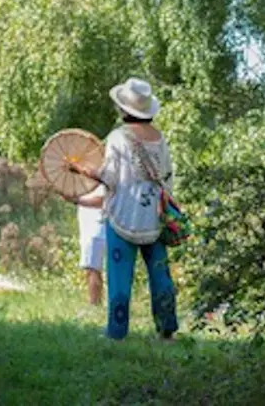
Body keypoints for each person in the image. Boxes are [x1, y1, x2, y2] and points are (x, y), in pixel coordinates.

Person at [63, 77, 178, 341]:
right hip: (155, 216)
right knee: (160, 273)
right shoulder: (159, 138)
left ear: (124, 109)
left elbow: (110, 177)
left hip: (122, 215)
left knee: (119, 276)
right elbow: (168, 177)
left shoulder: (118, 137)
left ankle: (117, 331)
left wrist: (82, 169)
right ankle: (167, 328)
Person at [76, 185, 106, 306]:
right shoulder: (83, 177)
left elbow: (103, 200)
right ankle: (95, 303)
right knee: (90, 267)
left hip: (97, 224)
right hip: (88, 222)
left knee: (93, 268)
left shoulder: (100, 173)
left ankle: (95, 304)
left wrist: (76, 200)